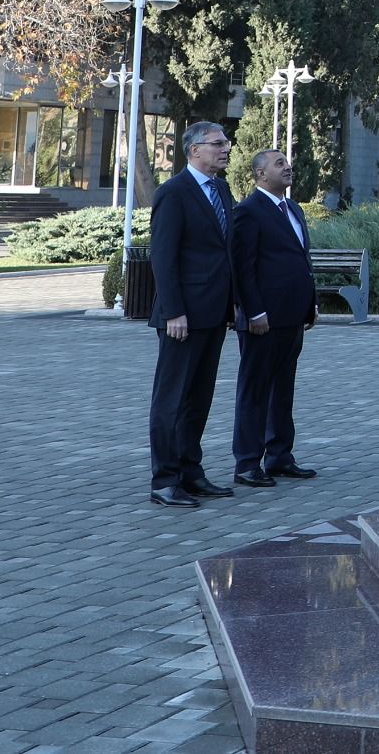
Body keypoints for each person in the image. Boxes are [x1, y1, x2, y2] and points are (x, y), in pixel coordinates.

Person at [147, 121, 238, 508]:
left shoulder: (221, 189)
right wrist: (174, 312)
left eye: (226, 143)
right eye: (217, 143)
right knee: (172, 399)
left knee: (199, 398)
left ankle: (191, 472)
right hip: (181, 317)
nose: (225, 149)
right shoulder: (174, 192)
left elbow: (225, 252)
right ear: (194, 149)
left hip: (213, 312)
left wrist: (232, 304)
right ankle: (165, 480)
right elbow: (163, 257)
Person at [228, 148, 319, 487]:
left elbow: (300, 261)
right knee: (255, 391)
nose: (288, 167)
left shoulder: (293, 208)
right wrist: (253, 311)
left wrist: (310, 304)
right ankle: (247, 463)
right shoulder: (248, 211)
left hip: (292, 316)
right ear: (260, 174)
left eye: (287, 162)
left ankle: (280, 456)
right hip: (262, 319)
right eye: (279, 163)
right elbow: (243, 267)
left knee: (282, 390)